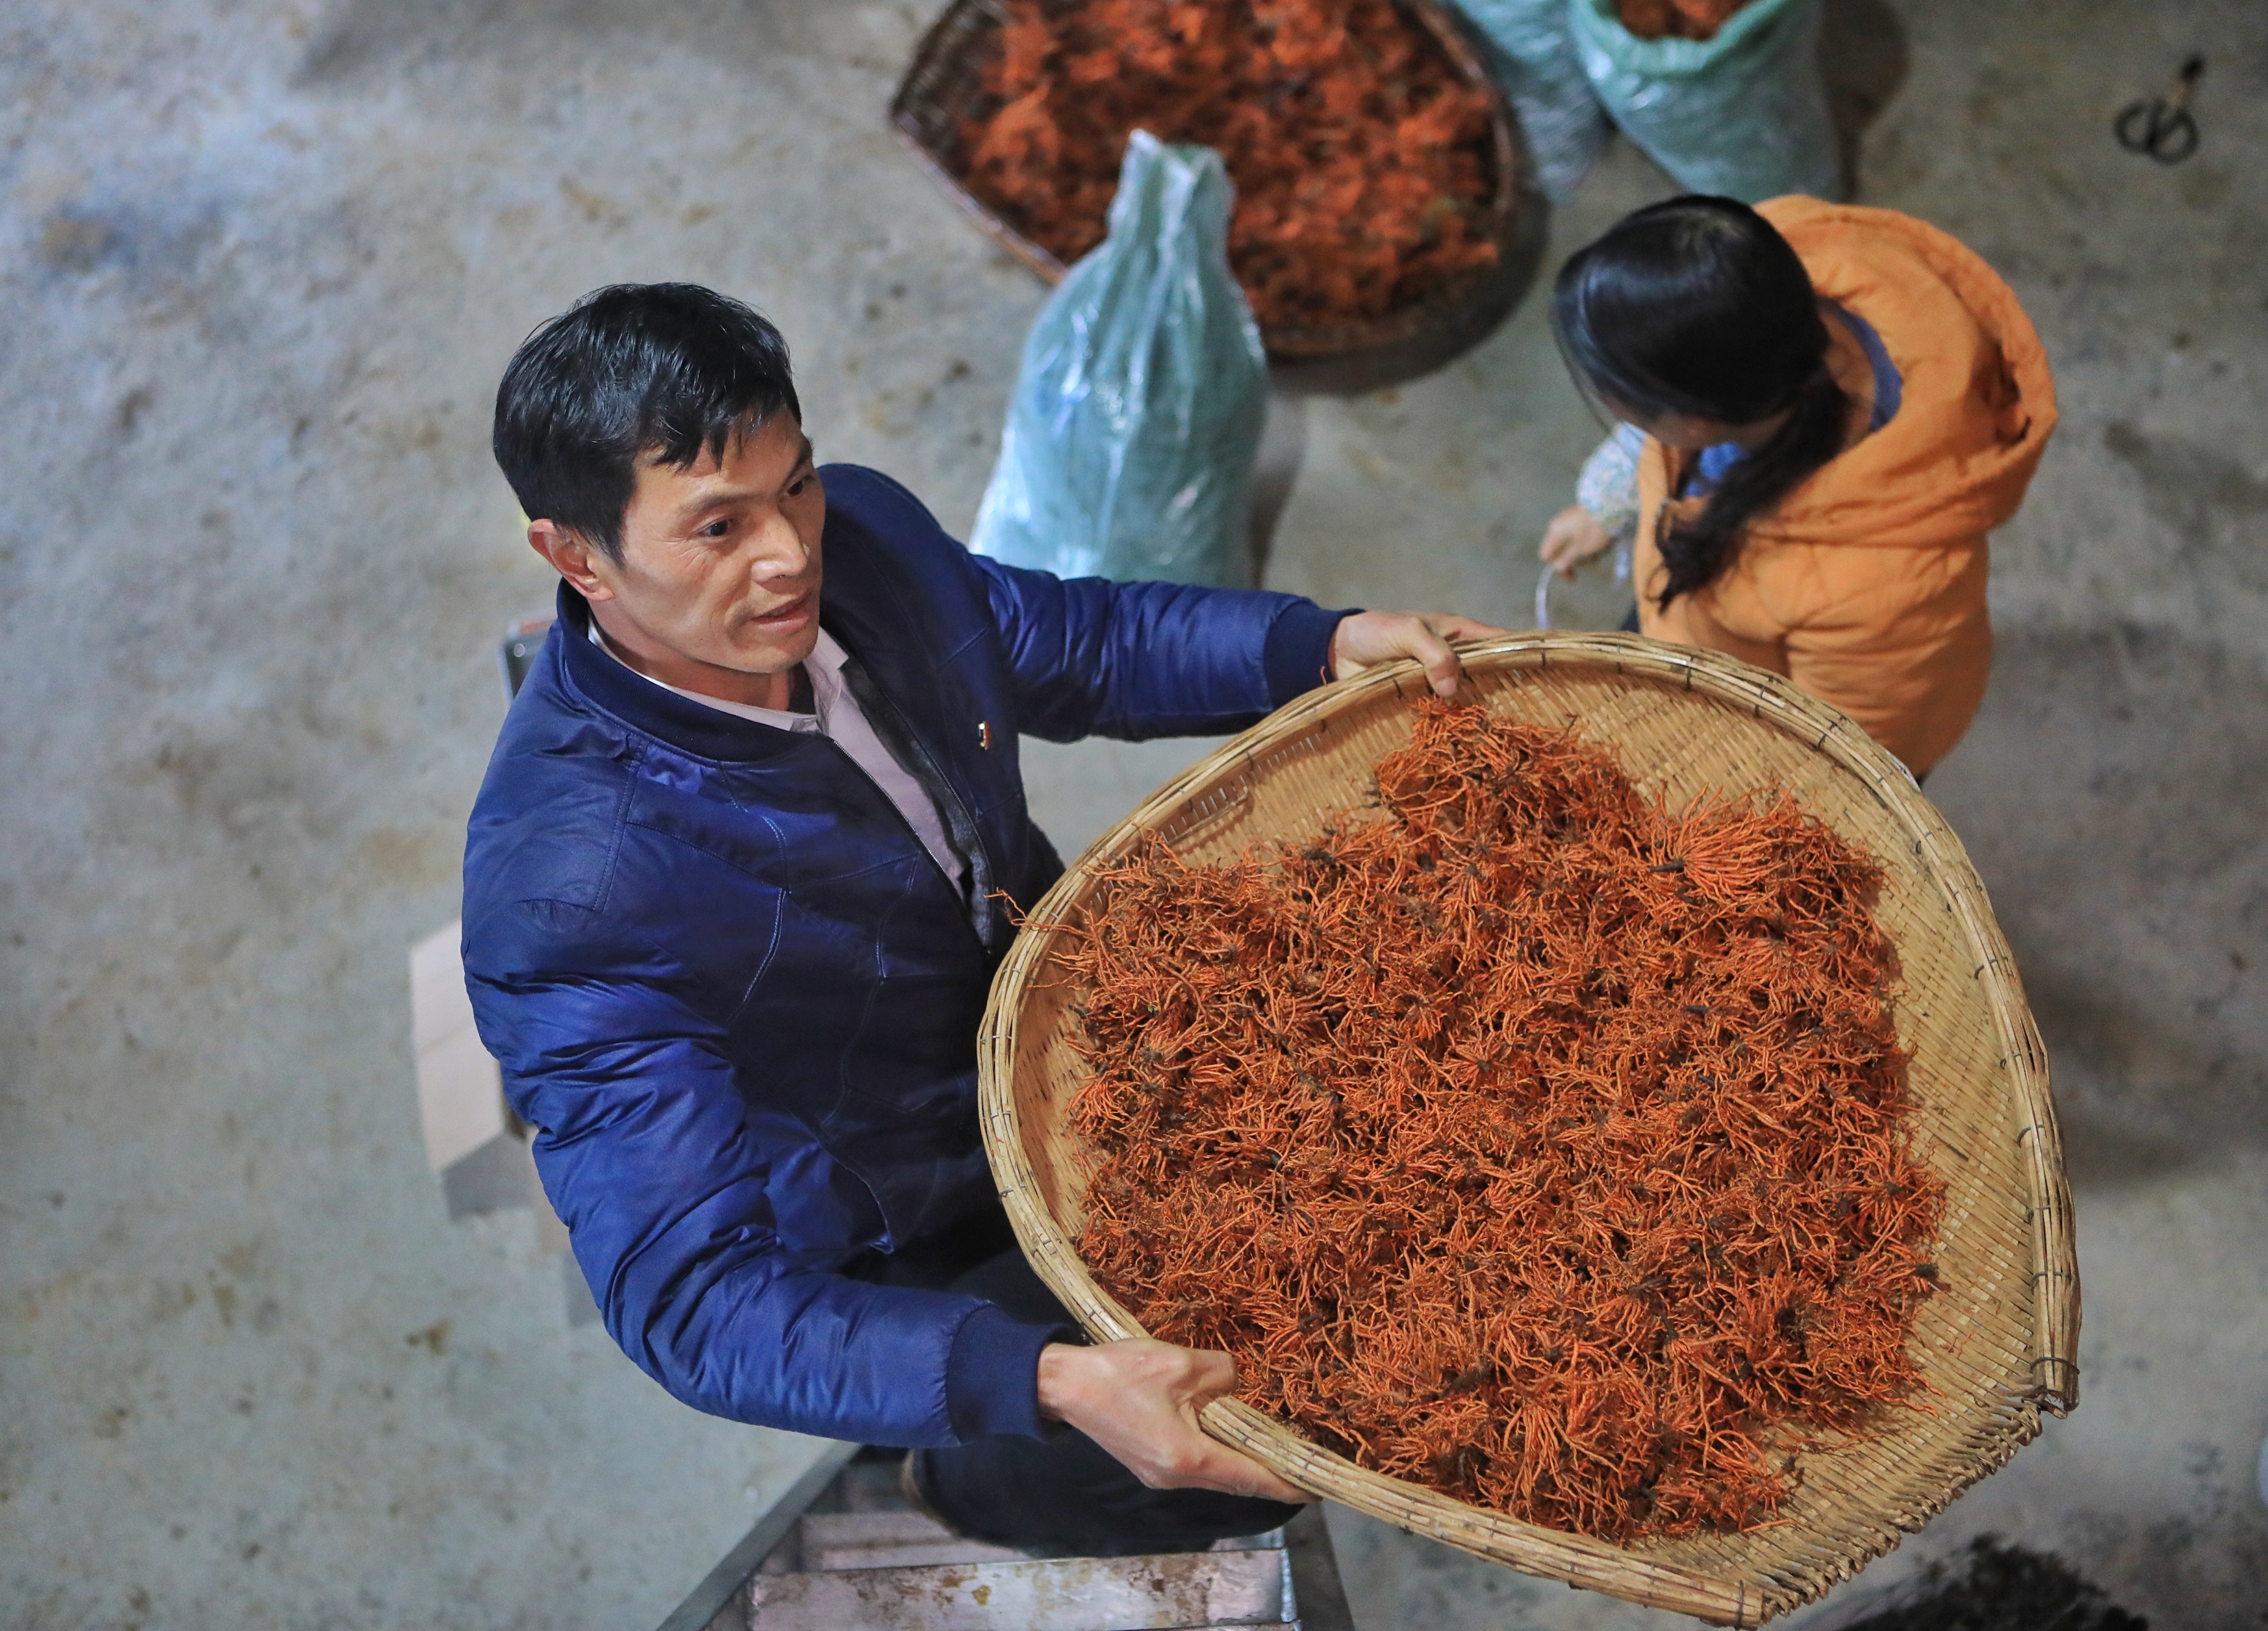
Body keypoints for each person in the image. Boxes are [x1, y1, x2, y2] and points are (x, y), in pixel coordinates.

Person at [459, 283, 1495, 1554]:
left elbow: (1062, 641)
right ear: (573, 555)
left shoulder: (870, 540)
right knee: (1233, 1442)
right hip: (911, 1188)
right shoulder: (574, 890)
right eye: (716, 526)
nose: (787, 553)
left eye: (793, 485)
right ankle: (961, 1486)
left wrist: (1316, 644)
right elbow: (689, 1299)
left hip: (1064, 998)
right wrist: (1052, 1381)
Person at [1538, 195, 2056, 778]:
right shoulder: (1755, 279)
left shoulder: (1889, 592)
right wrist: (1606, 505)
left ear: (1692, 422)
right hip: (1695, 616)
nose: (1626, 418)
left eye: (1622, 396)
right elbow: (1657, 433)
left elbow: (1850, 758)